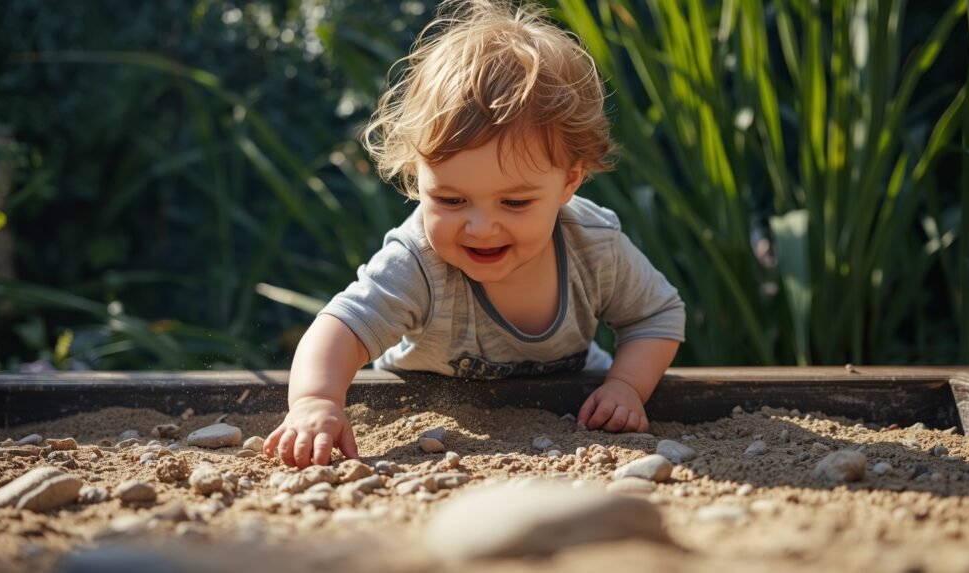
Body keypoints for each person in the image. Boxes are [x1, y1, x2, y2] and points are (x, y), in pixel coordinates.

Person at [264, 0, 685, 469]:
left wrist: (625, 385)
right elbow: (341, 327)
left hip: (569, 411)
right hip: (425, 412)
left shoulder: (593, 245)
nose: (481, 227)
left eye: (515, 202)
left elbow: (656, 315)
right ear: (417, 176)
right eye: (450, 200)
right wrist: (316, 401)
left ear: (569, 181)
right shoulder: (420, 259)